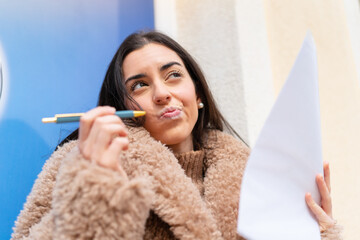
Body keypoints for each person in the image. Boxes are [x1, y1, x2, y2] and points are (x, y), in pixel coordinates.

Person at [11, 31, 342, 240]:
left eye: (173, 76)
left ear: (197, 93)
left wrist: (313, 231)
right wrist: (95, 191)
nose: (161, 93)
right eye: (139, 85)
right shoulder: (79, 164)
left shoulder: (252, 177)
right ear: (121, 107)